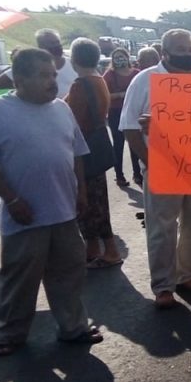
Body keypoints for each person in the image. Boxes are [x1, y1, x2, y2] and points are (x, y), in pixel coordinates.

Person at [0, 48, 103, 356]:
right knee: (20, 279)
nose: (52, 82)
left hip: (64, 211)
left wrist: (80, 192)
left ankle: (74, 328)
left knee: (68, 274)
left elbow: (77, 154)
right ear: (19, 78)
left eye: (53, 74)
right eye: (43, 76)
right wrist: (12, 199)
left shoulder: (61, 108)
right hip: (24, 215)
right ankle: (11, 335)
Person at [120, 29, 191, 310]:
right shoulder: (145, 80)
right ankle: (163, 285)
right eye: (180, 49)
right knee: (161, 227)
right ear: (165, 53)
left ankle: (187, 275)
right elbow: (130, 128)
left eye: (190, 48)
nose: (187, 54)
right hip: (161, 167)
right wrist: (152, 161)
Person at [66, 38, 123, 268]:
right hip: (96, 146)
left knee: (89, 202)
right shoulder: (99, 80)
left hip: (84, 150)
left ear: (74, 59)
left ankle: (107, 250)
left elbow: (74, 122)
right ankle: (96, 249)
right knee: (98, 200)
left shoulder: (80, 85)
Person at [102, 47, 142, 187]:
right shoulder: (109, 75)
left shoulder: (137, 73)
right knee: (118, 144)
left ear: (128, 57)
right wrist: (120, 95)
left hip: (134, 112)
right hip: (116, 112)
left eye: (122, 56)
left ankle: (138, 174)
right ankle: (119, 176)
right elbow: (104, 95)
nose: (120, 59)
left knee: (135, 143)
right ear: (113, 60)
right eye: (117, 57)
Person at [35, 29, 77, 98]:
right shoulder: (34, 67)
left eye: (57, 42)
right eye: (52, 43)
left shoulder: (74, 64)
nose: (56, 45)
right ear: (41, 47)